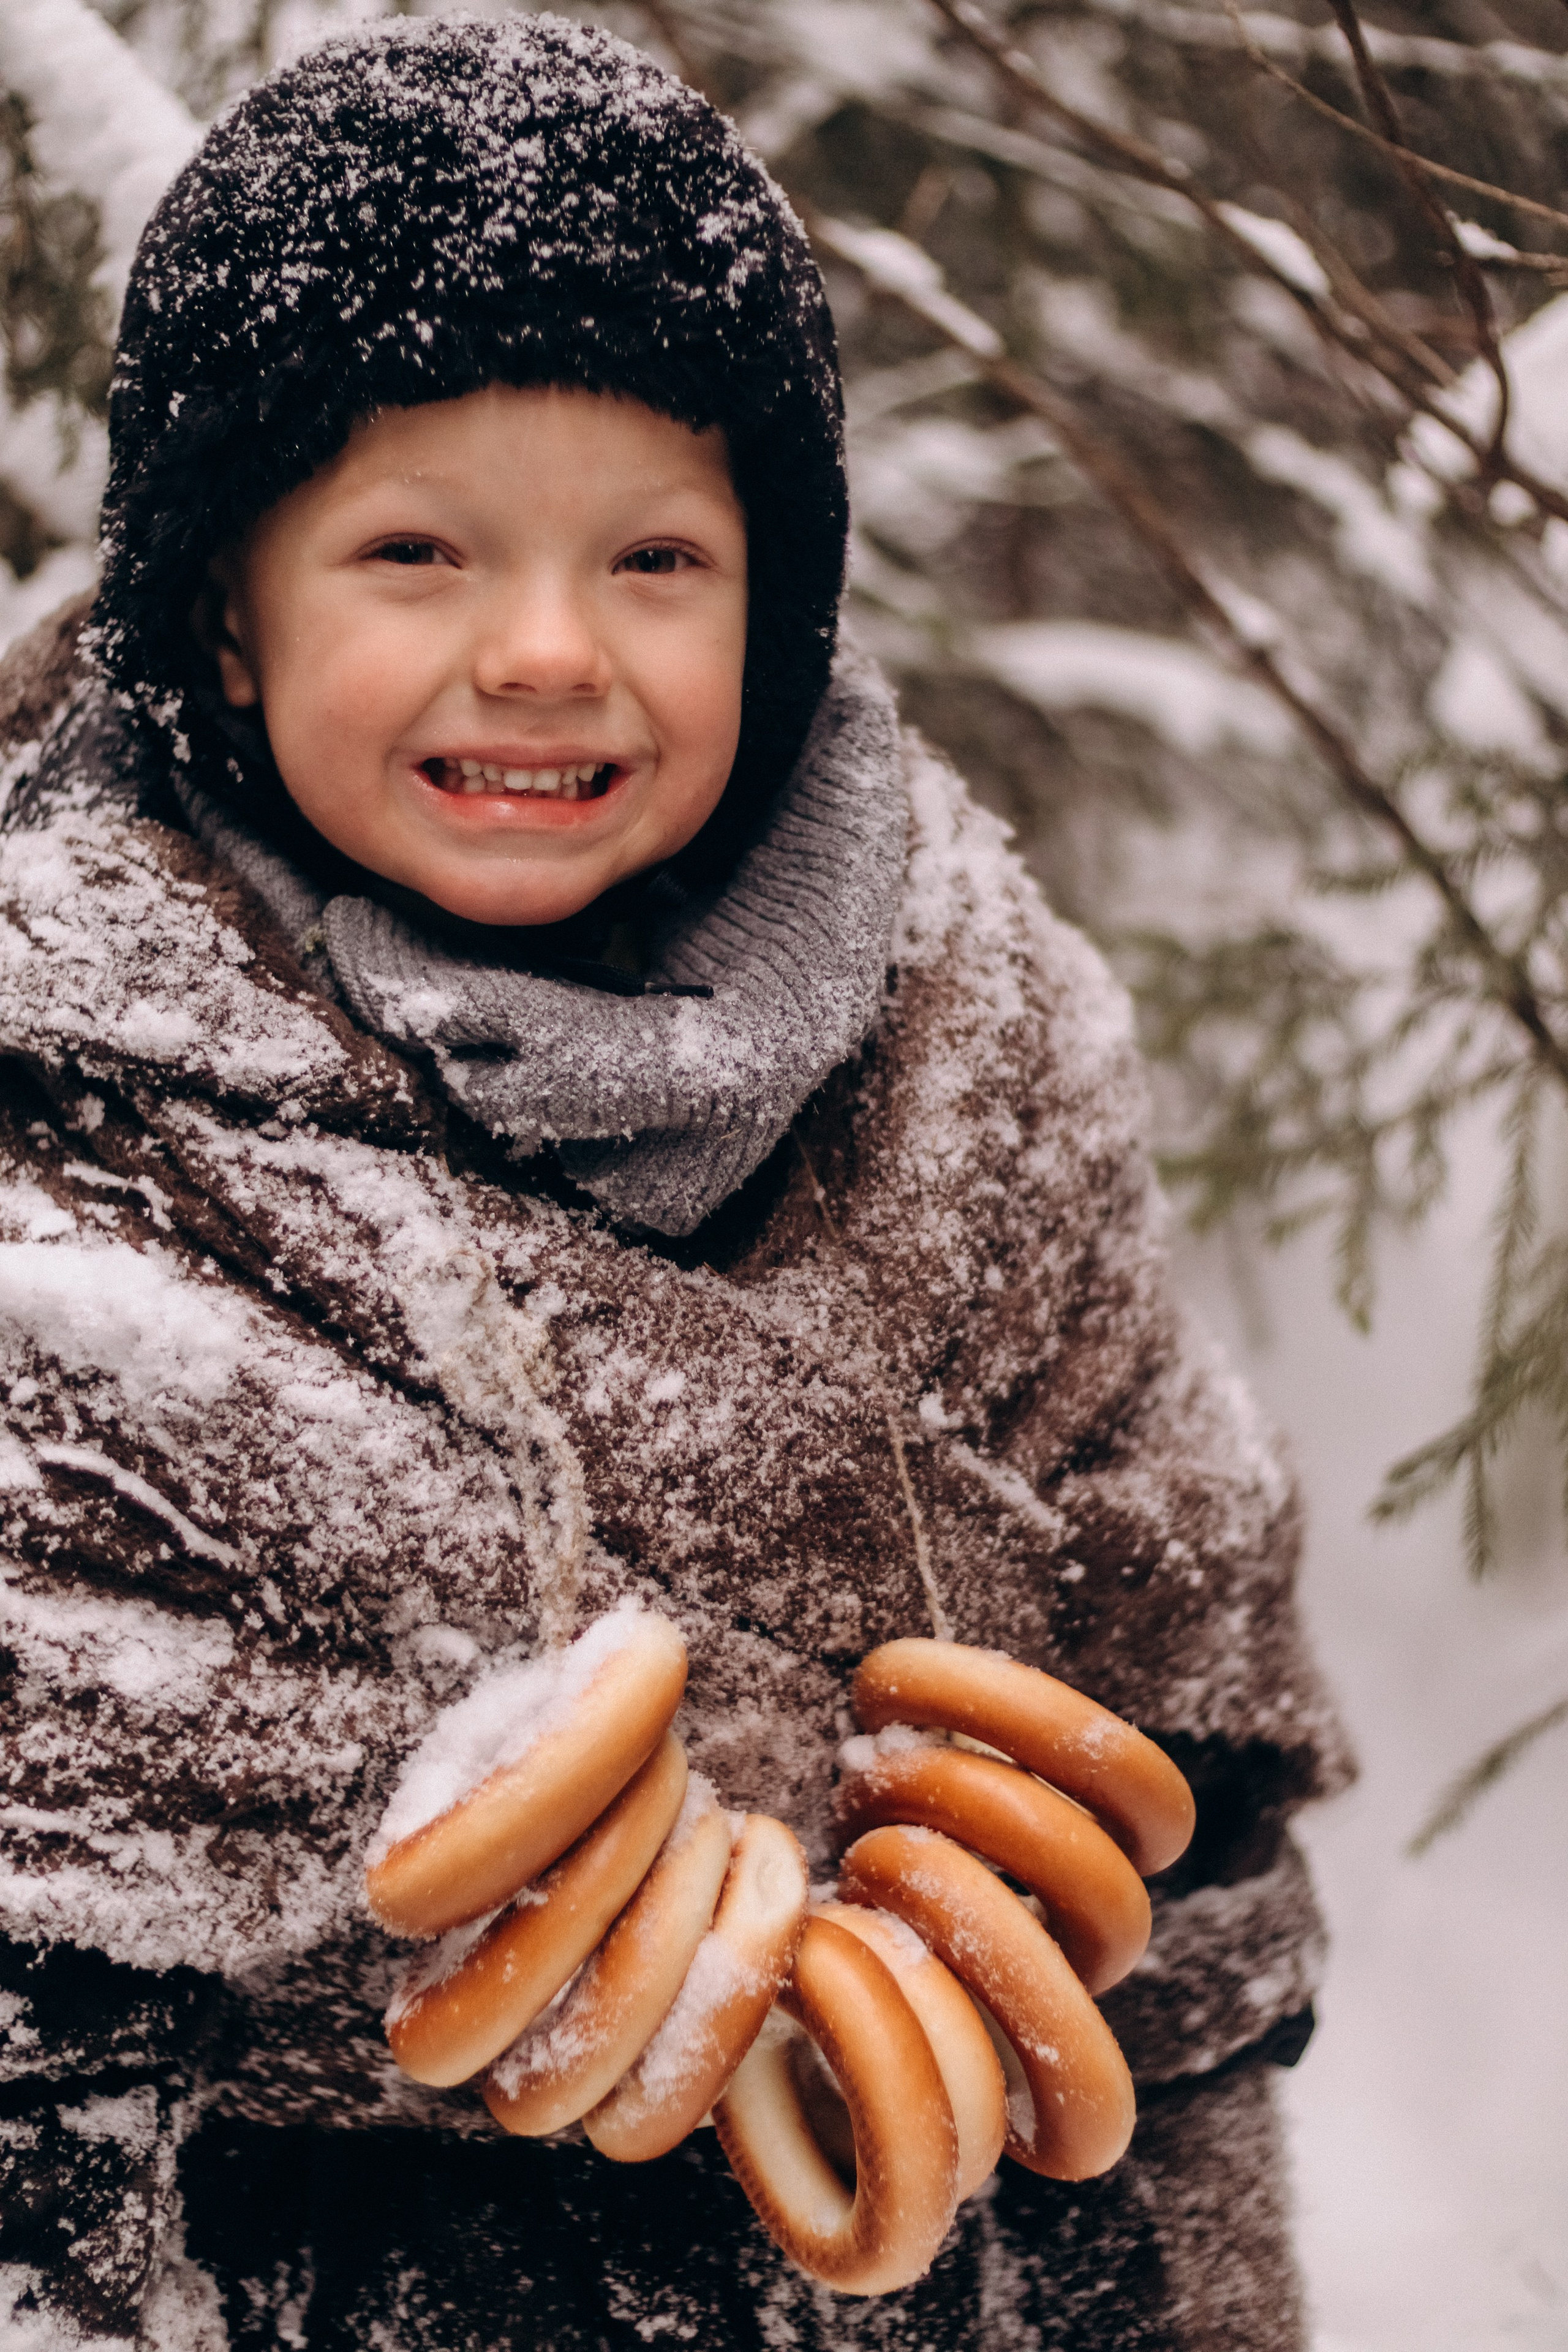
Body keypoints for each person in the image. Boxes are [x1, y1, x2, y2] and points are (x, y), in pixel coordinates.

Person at [0, 17, 1349, 2348]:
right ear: (227, 606)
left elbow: (1192, 1872)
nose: (545, 652)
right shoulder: (71, 1130)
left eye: (656, 554)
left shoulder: (987, 1075)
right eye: (412, 548)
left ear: (779, 601)